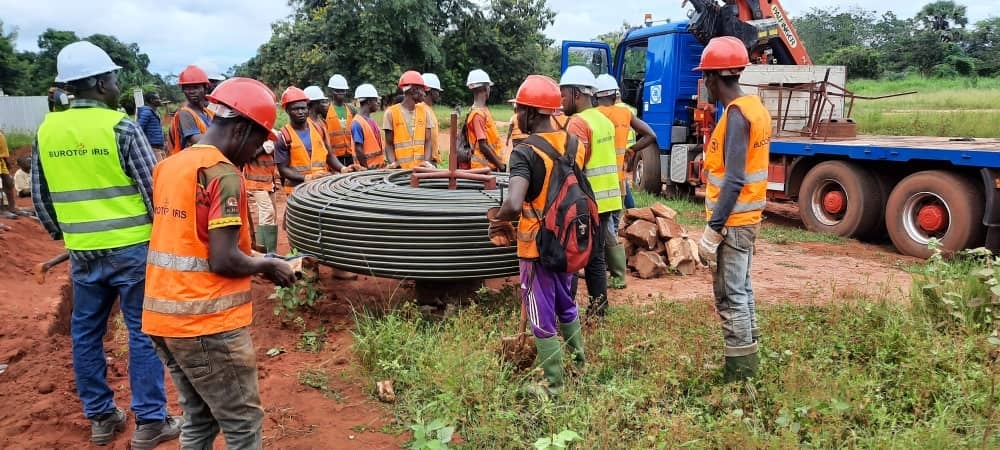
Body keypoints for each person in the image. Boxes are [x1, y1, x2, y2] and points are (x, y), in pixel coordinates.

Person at [32, 40, 181, 448]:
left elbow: (41, 198)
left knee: (85, 333)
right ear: (99, 83)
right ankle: (151, 421)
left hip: (83, 253)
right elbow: (155, 193)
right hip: (132, 249)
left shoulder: (47, 131)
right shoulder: (120, 127)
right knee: (142, 333)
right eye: (113, 77)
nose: (117, 83)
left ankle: (101, 417)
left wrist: (69, 236)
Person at [141, 77, 296, 448]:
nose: (259, 150)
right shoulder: (223, 174)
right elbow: (223, 259)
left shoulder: (171, 166)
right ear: (241, 129)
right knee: (243, 422)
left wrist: (261, 257)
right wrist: (268, 267)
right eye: (259, 140)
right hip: (205, 322)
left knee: (199, 418)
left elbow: (191, 242)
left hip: (163, 317)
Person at [489, 75, 587, 396]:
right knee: (565, 303)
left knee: (539, 312)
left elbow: (515, 203)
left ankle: (554, 384)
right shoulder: (574, 144)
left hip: (536, 247)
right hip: (568, 240)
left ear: (531, 113)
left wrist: (497, 218)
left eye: (519, 110)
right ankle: (579, 364)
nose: (516, 116)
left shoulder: (524, 152)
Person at [694, 36, 771, 382]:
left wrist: (714, 230)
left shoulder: (738, 116)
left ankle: (739, 377)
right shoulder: (754, 107)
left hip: (734, 222)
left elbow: (735, 179)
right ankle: (747, 360)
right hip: (747, 219)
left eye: (705, 77)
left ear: (713, 78)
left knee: (730, 295)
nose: (705, 84)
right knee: (743, 289)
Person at [560, 66, 622, 318]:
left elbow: (573, 167)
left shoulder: (578, 123)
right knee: (595, 258)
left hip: (586, 203)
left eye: (564, 94)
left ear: (577, 94)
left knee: (574, 256)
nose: (561, 100)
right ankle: (599, 310)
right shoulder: (603, 121)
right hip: (607, 202)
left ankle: (566, 311)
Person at [594, 74, 658, 289]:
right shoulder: (625, 114)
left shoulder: (593, 116)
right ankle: (614, 270)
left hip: (598, 183)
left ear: (595, 96)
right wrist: (631, 150)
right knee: (612, 224)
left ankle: (616, 274)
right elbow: (650, 135)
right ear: (614, 94)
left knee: (604, 229)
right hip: (619, 182)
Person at [275, 86, 353, 194]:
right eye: (295, 109)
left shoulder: (319, 129)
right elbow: (283, 169)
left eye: (303, 108)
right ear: (287, 110)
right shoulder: (284, 136)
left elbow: (329, 155)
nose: (300, 112)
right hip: (298, 192)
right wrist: (306, 178)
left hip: (320, 189)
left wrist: (343, 169)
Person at [382, 71, 435, 170]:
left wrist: (426, 163)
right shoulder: (391, 113)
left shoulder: (425, 112)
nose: (424, 94)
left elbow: (428, 142)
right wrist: (393, 164)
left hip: (420, 170)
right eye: (423, 90)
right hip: (400, 172)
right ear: (414, 90)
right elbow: (389, 144)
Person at [244, 132, 279, 253]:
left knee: (271, 215)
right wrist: (263, 147)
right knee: (267, 212)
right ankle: (265, 251)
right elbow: (249, 155)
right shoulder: (248, 136)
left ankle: (270, 250)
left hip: (269, 181)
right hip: (255, 182)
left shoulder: (270, 134)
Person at [167, 65, 214, 155]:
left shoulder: (210, 113)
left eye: (196, 87)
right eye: (187, 88)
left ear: (205, 88)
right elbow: (198, 141)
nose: (191, 91)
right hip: (190, 165)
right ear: (183, 90)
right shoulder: (185, 113)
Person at [464, 69, 504, 171]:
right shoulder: (477, 114)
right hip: (483, 168)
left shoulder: (482, 111)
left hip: (489, 166)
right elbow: (483, 146)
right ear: (486, 88)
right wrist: (500, 165)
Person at [325, 74, 357, 166]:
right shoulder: (326, 109)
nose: (340, 93)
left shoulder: (351, 109)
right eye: (337, 91)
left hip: (350, 153)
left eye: (343, 90)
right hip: (333, 155)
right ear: (332, 91)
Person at [351, 83, 385, 169]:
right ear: (369, 102)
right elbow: (358, 149)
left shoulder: (371, 121)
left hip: (377, 169)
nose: (378, 103)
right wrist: (365, 170)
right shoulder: (357, 123)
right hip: (367, 172)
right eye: (375, 100)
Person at [136, 91, 165, 161]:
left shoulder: (155, 112)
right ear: (152, 100)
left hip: (158, 146)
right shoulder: (147, 113)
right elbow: (138, 128)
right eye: (157, 98)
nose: (160, 100)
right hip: (152, 147)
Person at [421, 73, 443, 164]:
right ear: (430, 91)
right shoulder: (421, 109)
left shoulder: (428, 109)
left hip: (431, 160)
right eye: (437, 91)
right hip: (426, 161)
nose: (438, 94)